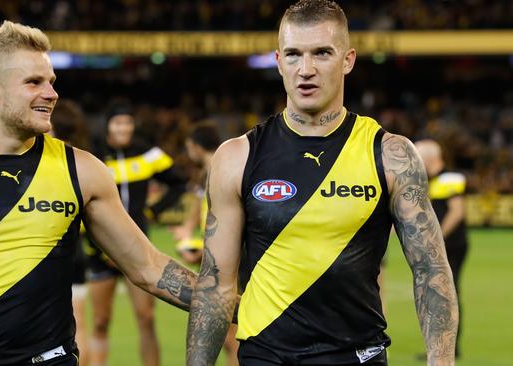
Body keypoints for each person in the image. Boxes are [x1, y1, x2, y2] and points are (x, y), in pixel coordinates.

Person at [0, 20, 197, 366]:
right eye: (34, 82)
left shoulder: (83, 169)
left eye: (51, 82)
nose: (51, 93)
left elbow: (148, 267)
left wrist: (238, 305)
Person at [186, 1, 459, 366]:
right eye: (294, 55)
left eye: (322, 53)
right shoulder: (236, 157)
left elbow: (431, 270)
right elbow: (215, 286)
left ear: (348, 60)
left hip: (357, 355)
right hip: (265, 357)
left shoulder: (391, 155)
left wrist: (441, 362)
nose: (306, 70)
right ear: (279, 61)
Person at [85, 103, 187, 366]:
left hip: (138, 247)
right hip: (100, 252)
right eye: (118, 123)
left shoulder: (146, 153)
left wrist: (152, 212)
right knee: (99, 321)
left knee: (146, 318)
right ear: (108, 125)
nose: (124, 128)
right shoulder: (92, 155)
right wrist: (100, 247)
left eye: (128, 123)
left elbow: (178, 181)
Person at [172, 123, 239, 366]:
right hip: (219, 257)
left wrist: (202, 250)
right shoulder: (213, 170)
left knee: (232, 339)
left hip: (229, 264)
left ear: (195, 147)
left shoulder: (218, 171)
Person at [415, 139, 469, 359]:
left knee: (447, 293)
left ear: (429, 158)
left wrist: (437, 239)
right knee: (441, 294)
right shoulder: (433, 181)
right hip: (443, 246)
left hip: (452, 246)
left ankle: (450, 350)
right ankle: (442, 348)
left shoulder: (450, 179)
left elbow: (457, 212)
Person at [50, 99, 93, 366]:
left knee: (66, 331)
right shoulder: (82, 162)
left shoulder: (54, 163)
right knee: (79, 326)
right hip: (76, 256)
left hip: (57, 257)